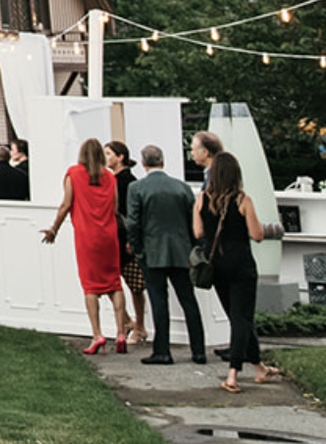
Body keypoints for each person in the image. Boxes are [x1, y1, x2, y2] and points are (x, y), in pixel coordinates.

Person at [193, 151, 281, 392]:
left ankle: (259, 367)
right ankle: (233, 373)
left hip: (217, 265)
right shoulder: (242, 200)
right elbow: (257, 235)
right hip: (241, 264)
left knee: (237, 317)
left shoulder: (202, 199)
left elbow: (198, 232)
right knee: (242, 318)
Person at [41, 138, 129, 352]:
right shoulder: (110, 177)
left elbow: (66, 205)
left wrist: (54, 229)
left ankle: (97, 334)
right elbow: (116, 207)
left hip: (87, 237)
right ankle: (120, 333)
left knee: (90, 286)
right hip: (109, 236)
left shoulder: (74, 174)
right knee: (114, 284)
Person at [125, 142, 207, 367]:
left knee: (159, 301)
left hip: (152, 252)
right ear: (163, 161)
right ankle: (198, 350)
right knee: (188, 300)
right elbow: (194, 220)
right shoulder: (181, 187)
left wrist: (137, 247)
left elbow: (133, 222)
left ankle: (162, 350)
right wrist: (193, 247)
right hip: (181, 251)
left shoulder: (137, 189)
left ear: (143, 163)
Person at [107, 141, 149, 347]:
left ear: (120, 156)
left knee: (135, 285)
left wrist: (132, 239)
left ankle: (139, 326)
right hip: (114, 236)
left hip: (124, 237)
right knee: (111, 283)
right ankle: (128, 322)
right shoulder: (111, 180)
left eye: (109, 153)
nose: (105, 157)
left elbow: (131, 214)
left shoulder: (127, 182)